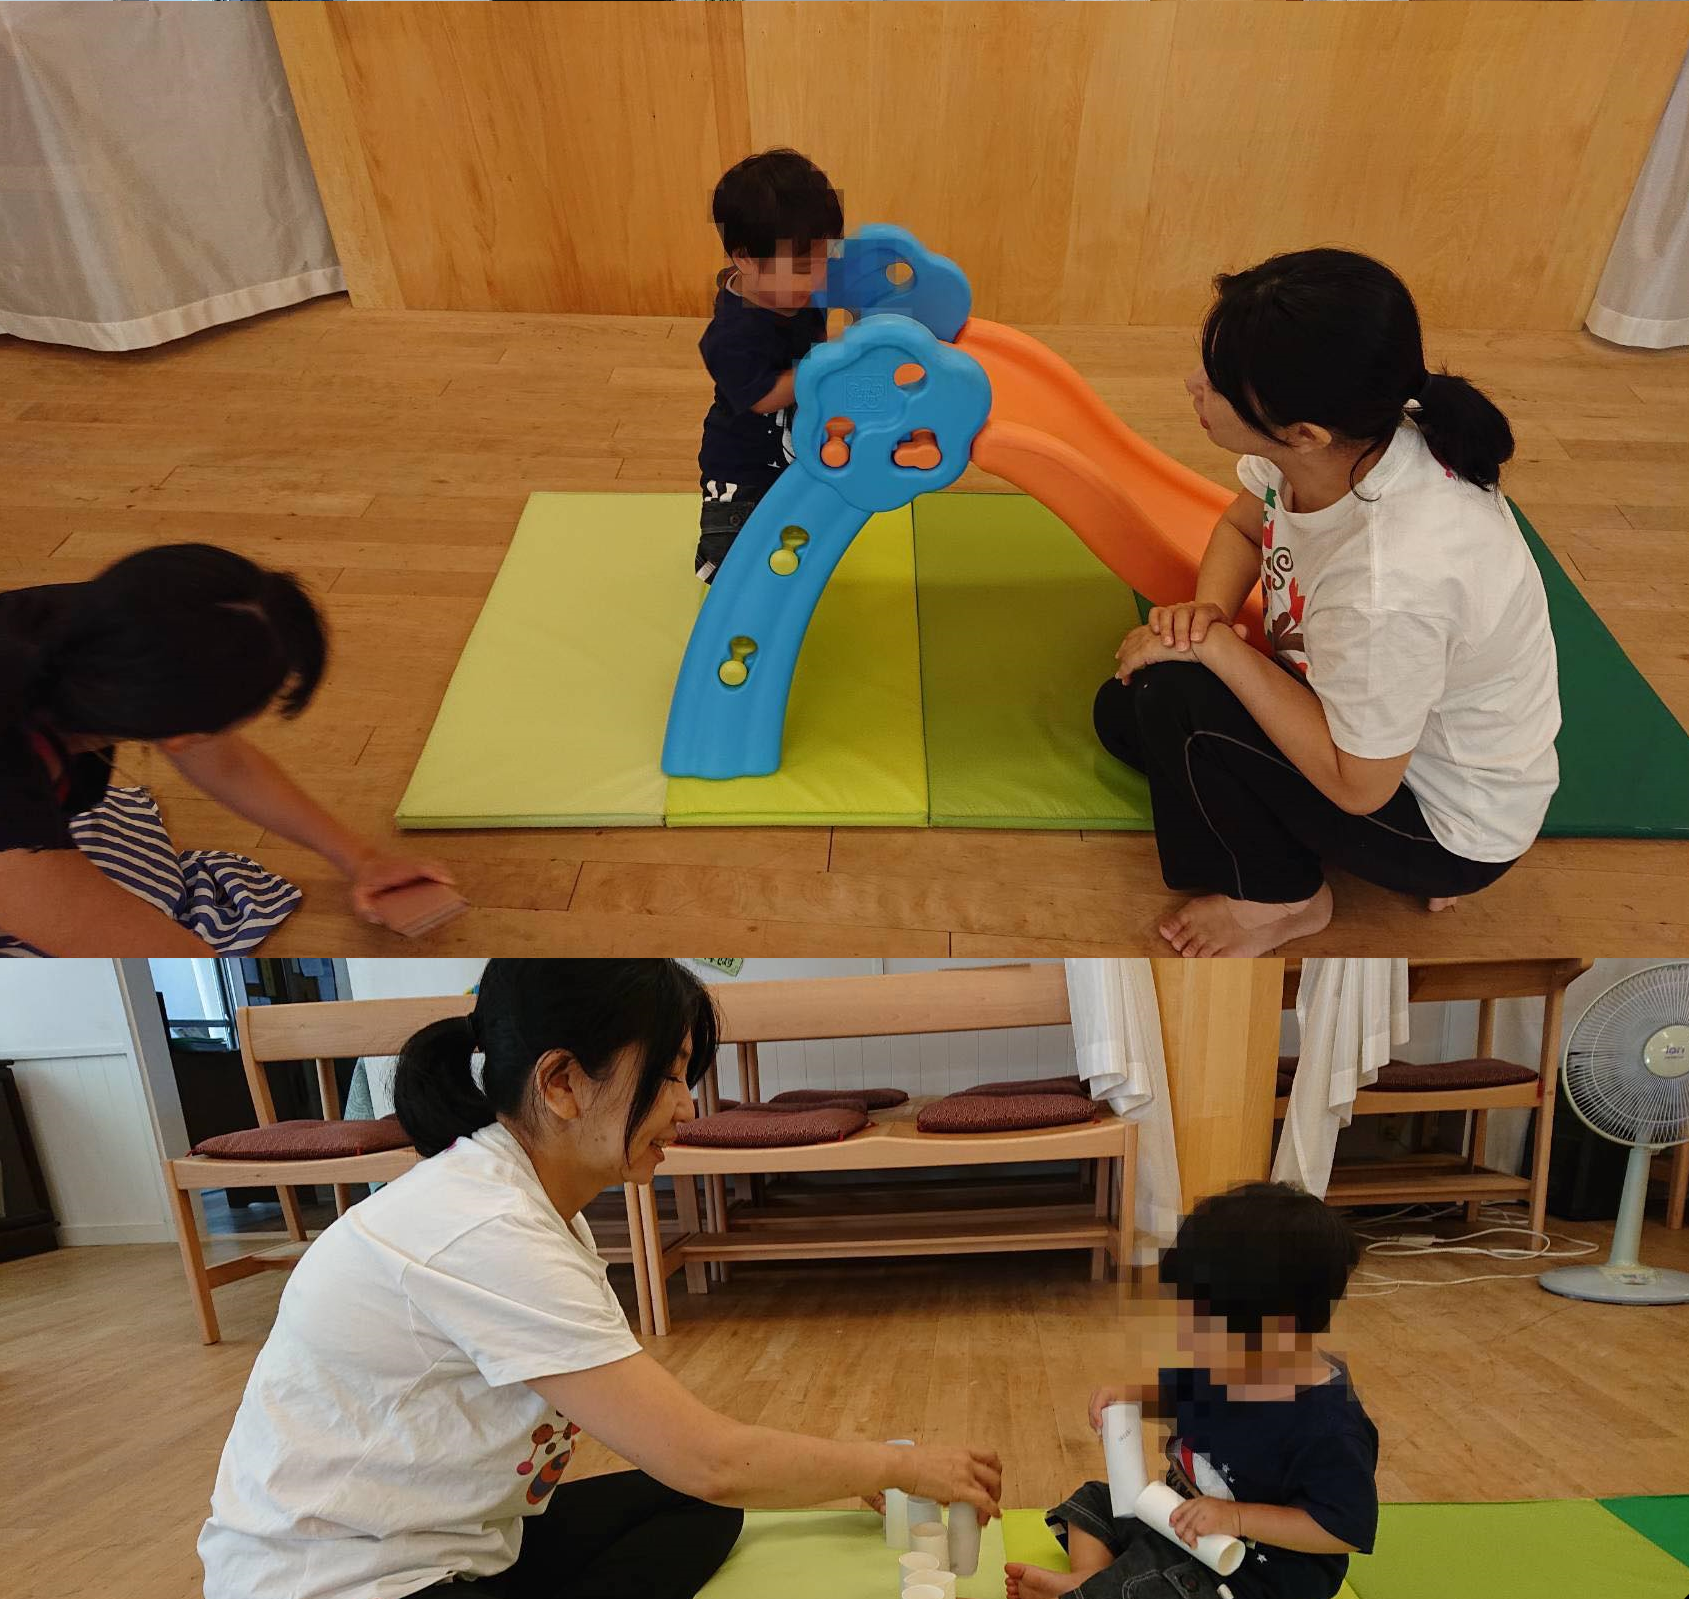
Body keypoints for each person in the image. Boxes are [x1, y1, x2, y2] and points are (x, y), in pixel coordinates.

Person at [200, 959, 1002, 1599]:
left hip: (452, 1545)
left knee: (695, 1510)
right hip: (344, 1581)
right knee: (709, 1485)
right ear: (561, 1083)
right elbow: (710, 1457)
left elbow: (696, 1468)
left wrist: (853, 1468)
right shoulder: (485, 1228)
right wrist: (893, 1465)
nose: (686, 1107)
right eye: (668, 1075)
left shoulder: (528, 1202)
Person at [1094, 249, 1560, 957]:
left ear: (1303, 433)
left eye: (1217, 381)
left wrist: (1212, 649)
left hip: (1438, 827)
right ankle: (1289, 837)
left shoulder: (1387, 586)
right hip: (1378, 740)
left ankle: (1283, 900)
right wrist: (1209, 612)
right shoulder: (1349, 433)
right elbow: (1240, 526)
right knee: (1124, 712)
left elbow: (1358, 789)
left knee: (1171, 698)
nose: (1193, 384)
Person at [0, 543, 454, 954]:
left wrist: (362, 860)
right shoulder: (12, 808)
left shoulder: (116, 622)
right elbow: (94, 924)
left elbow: (228, 764)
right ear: (181, 735)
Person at [1007, 1183, 1378, 1600]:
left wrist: (1237, 1517)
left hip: (1248, 1572)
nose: (1187, 1340)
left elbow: (1342, 1529)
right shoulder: (1231, 1363)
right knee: (1093, 1502)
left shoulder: (1328, 1426)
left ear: (1279, 1331)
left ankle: (1101, 1587)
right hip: (1178, 1520)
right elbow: (1178, 1393)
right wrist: (1131, 1396)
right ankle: (1090, 1582)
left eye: (1201, 1328)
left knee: (1156, 1584)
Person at [694, 148, 843, 581]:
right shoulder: (731, 335)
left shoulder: (797, 291)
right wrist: (821, 366)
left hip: (792, 458)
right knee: (730, 565)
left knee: (791, 546)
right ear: (745, 259)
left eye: (826, 259)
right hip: (741, 477)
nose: (818, 277)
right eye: (803, 267)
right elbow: (762, 398)